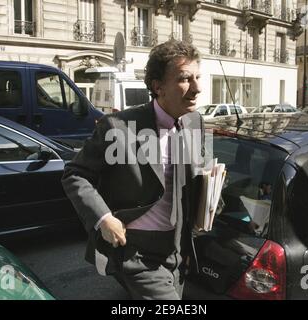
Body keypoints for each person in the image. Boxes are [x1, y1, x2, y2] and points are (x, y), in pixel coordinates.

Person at [62, 40, 205, 300]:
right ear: (157, 86)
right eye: (185, 79)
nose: (197, 88)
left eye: (197, 77)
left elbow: (192, 179)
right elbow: (75, 174)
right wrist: (104, 219)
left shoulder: (194, 122)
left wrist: (209, 204)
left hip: (178, 250)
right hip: (136, 252)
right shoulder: (116, 127)